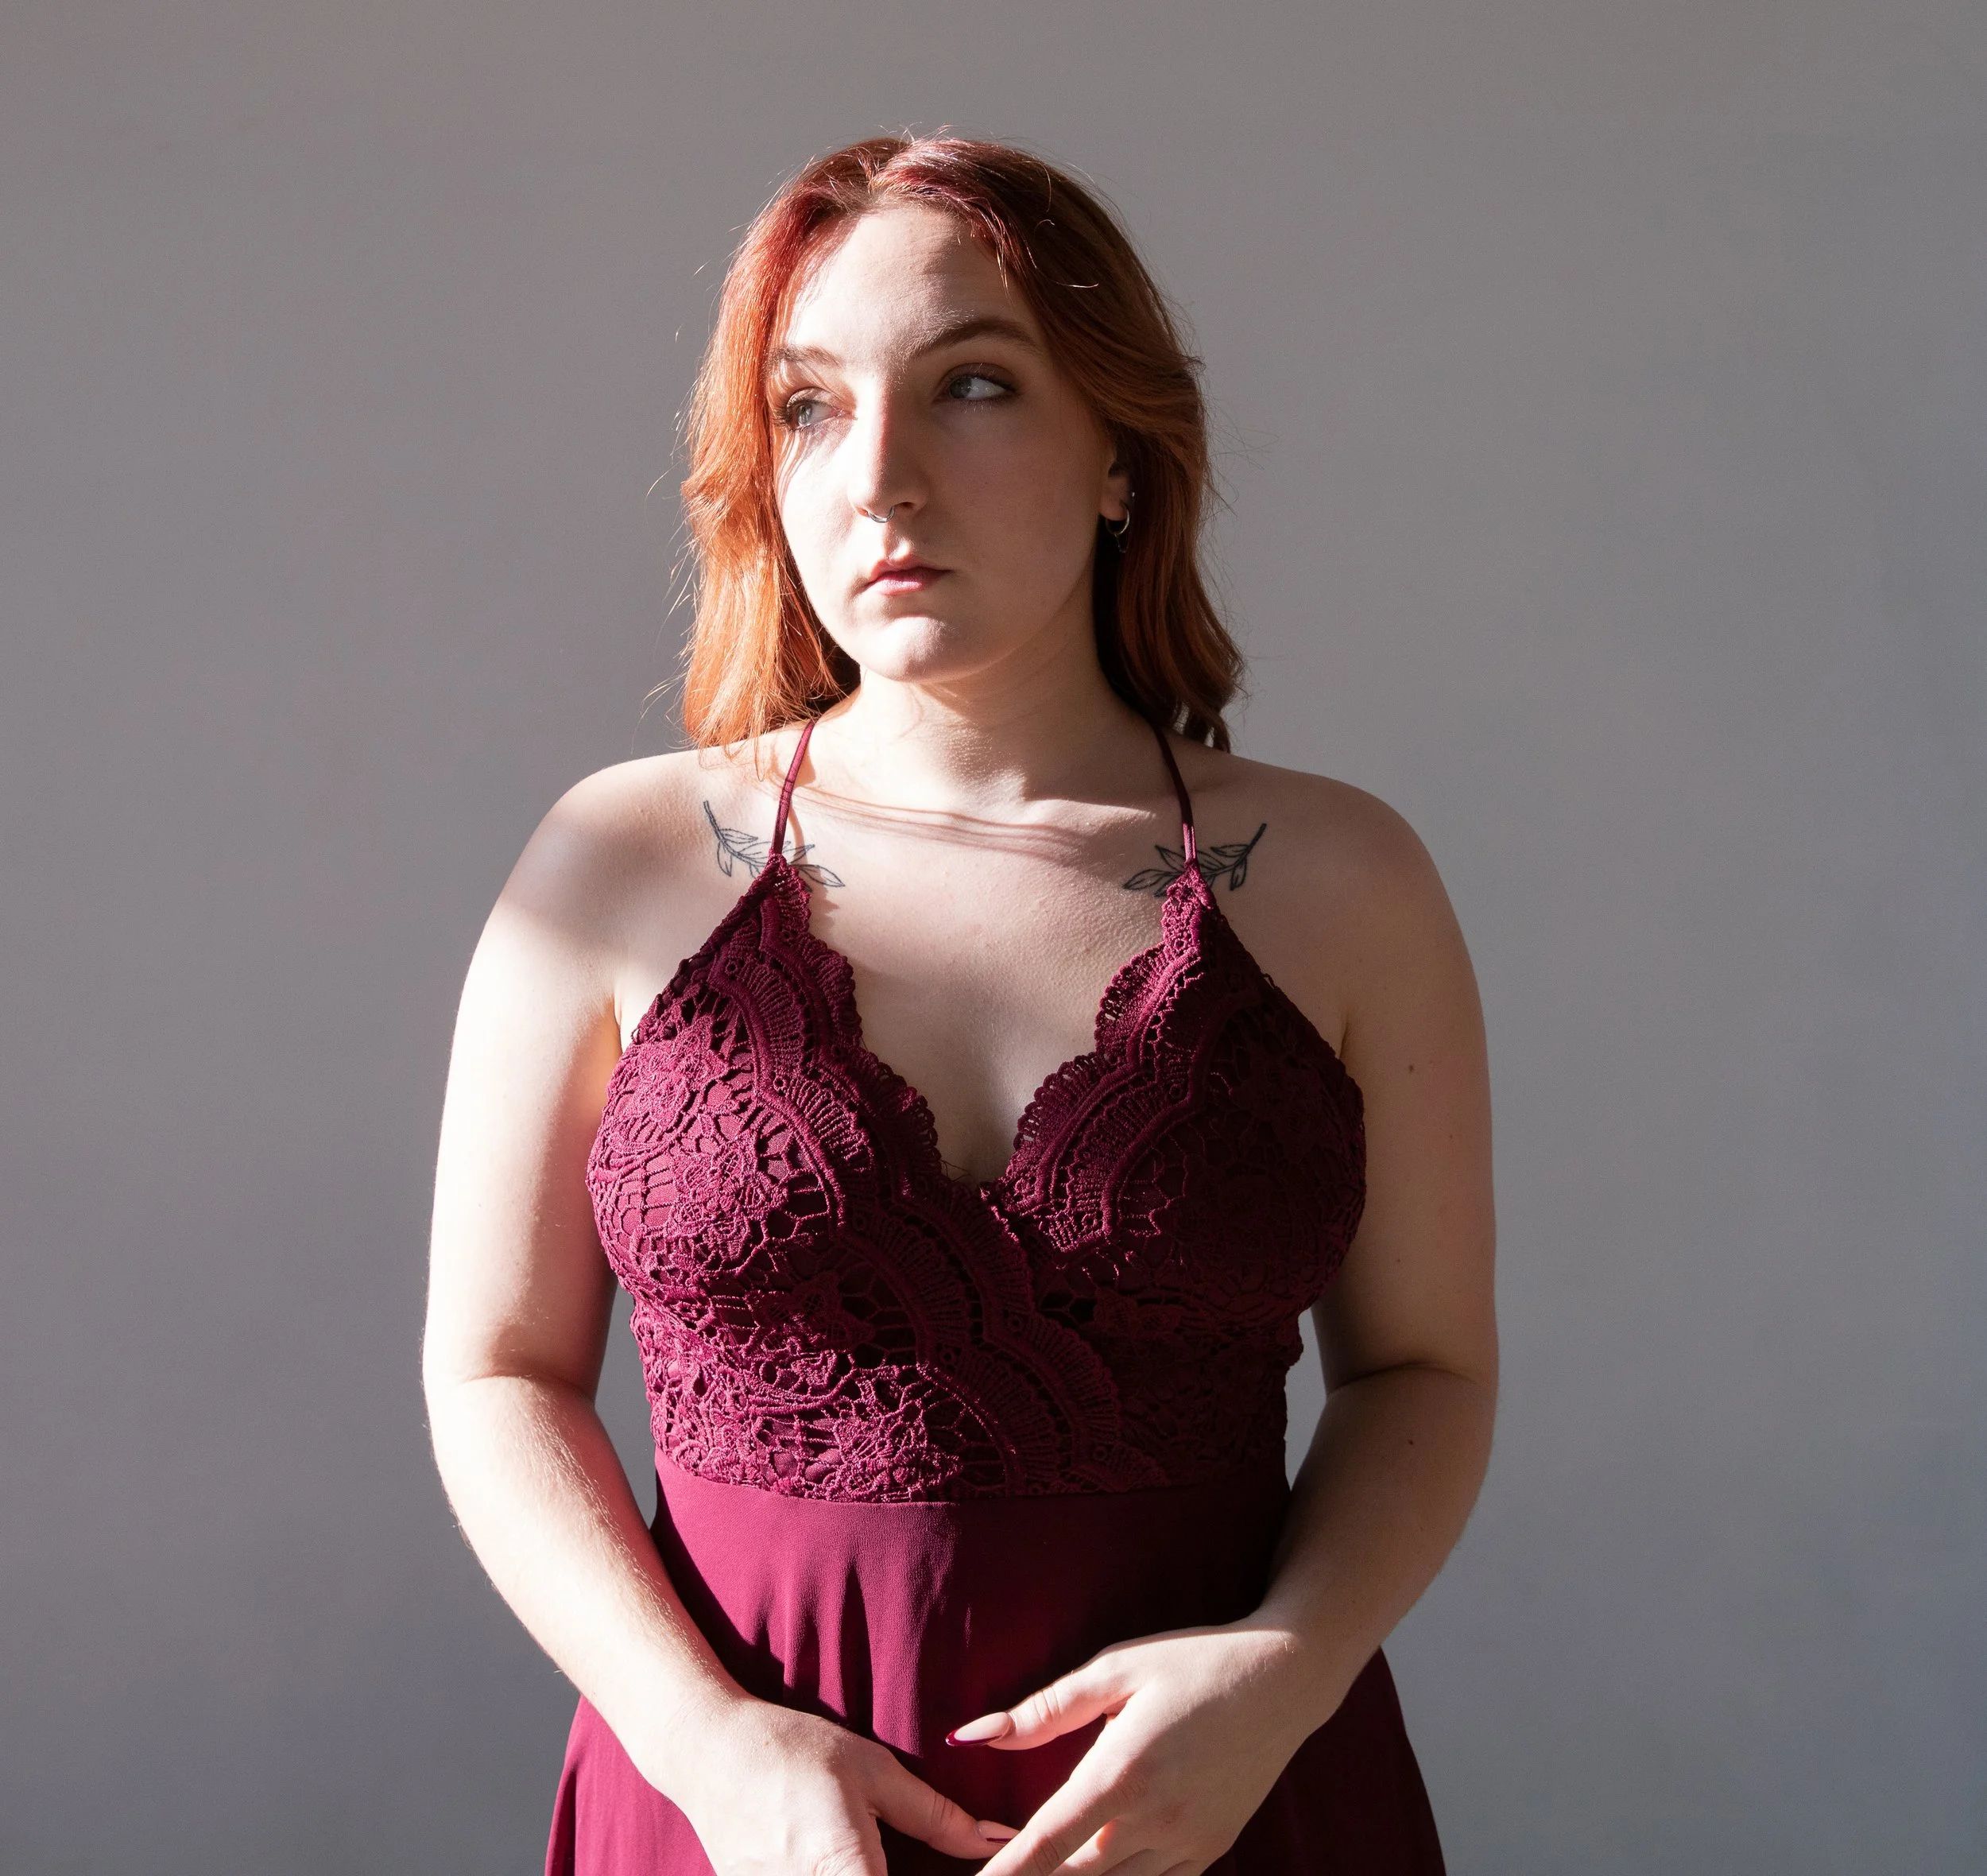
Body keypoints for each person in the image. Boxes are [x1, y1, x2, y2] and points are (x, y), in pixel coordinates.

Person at [424, 134, 1497, 1876]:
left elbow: (1424, 1369)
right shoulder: (615, 862)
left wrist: (1283, 1673)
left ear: (1121, 456)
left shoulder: (1342, 879)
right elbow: (496, 1371)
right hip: (735, 1818)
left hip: (1227, 1811)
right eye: (809, 407)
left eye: (972, 385)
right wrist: (703, 1745)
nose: (879, 477)